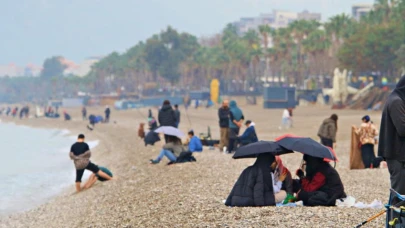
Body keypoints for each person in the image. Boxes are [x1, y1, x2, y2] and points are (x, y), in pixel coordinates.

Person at [379, 75, 405, 205]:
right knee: (399, 195)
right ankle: (396, 223)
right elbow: (402, 129)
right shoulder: (396, 101)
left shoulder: (397, 99)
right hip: (397, 156)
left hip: (399, 155)